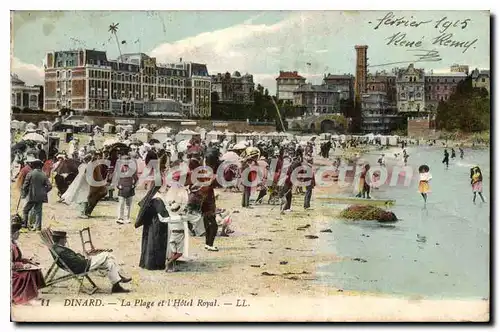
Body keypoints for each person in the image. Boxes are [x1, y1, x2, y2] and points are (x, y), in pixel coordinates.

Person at [51, 231, 131, 293]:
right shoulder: (62, 251)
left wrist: (81, 257)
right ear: (60, 239)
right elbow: (76, 261)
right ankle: (119, 278)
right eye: (64, 239)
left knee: (109, 263)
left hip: (82, 264)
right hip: (83, 266)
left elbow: (74, 259)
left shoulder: (57, 248)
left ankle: (116, 286)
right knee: (107, 254)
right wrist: (84, 258)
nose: (65, 240)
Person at [135, 186, 170, 270]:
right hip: (157, 224)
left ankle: (146, 263)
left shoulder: (150, 196)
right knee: (156, 244)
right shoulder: (158, 199)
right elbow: (163, 215)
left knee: (148, 243)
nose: (166, 189)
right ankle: (155, 265)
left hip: (149, 223)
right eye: (165, 187)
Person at [11, 222, 45, 304]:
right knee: (28, 274)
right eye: (18, 233)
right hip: (12, 272)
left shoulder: (13, 244)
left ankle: (33, 294)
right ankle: (25, 297)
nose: (19, 234)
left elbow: (18, 258)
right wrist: (23, 266)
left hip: (16, 268)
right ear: (13, 234)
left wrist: (29, 261)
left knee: (36, 270)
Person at [21, 156, 52, 231]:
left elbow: (25, 185)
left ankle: (25, 225)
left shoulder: (30, 174)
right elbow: (50, 186)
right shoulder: (43, 174)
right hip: (41, 196)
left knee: (25, 210)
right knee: (38, 212)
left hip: (32, 195)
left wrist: (24, 194)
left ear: (34, 165)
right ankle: (38, 228)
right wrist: (44, 191)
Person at [115, 155, 138, 224]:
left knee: (128, 204)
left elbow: (136, 179)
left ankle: (127, 218)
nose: (125, 162)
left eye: (127, 161)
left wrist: (134, 185)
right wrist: (118, 186)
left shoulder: (132, 170)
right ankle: (120, 218)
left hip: (130, 188)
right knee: (121, 204)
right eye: (124, 160)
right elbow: (116, 179)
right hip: (122, 188)